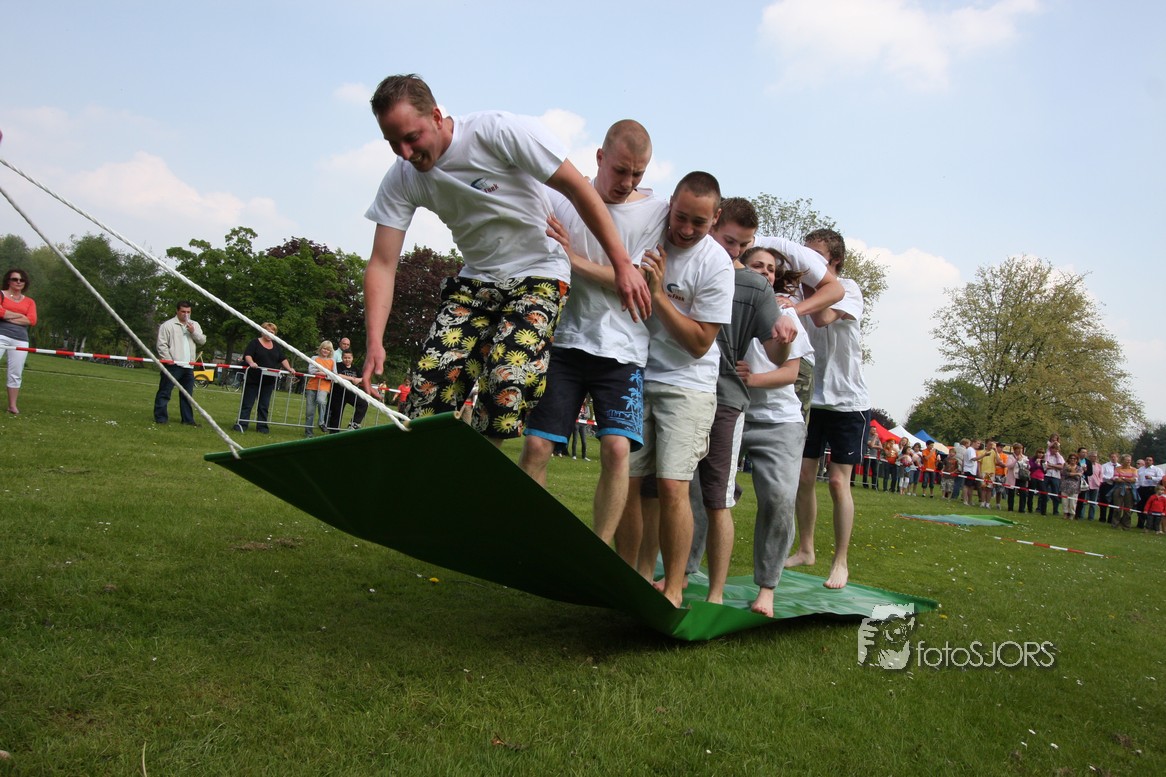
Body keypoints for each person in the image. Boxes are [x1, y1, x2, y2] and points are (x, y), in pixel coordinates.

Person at [361, 74, 650, 444]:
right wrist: (375, 340)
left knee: (505, 382)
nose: (405, 152)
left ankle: (486, 462)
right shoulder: (403, 177)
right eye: (393, 142)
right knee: (428, 391)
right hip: (476, 282)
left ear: (435, 116)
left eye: (411, 138)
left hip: (538, 274)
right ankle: (433, 472)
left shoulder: (495, 132)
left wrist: (622, 264)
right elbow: (383, 263)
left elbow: (578, 188)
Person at [519, 119, 667, 544]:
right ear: (600, 157)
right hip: (564, 343)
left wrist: (572, 258)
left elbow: (633, 281)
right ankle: (529, 542)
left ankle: (597, 550)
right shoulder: (561, 198)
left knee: (617, 449)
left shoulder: (655, 212)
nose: (627, 182)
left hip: (623, 350)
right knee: (536, 447)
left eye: (637, 174)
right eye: (620, 170)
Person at [620, 171, 734, 607]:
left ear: (715, 218)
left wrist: (658, 295)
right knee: (627, 482)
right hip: (637, 373)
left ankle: (672, 588)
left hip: (688, 385)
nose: (685, 229)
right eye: (680, 216)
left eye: (698, 222)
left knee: (672, 487)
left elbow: (699, 343)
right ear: (670, 204)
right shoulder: (651, 231)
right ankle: (628, 579)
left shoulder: (716, 264)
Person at [788, 228, 871, 589]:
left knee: (838, 482)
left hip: (848, 402)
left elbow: (821, 318)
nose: (806, 260)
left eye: (815, 255)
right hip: (812, 399)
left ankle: (841, 561)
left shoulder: (848, 289)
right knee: (803, 478)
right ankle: (806, 549)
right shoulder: (798, 291)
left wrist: (800, 291)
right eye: (803, 253)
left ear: (834, 261)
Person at [734, 246, 814, 616]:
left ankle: (767, 588)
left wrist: (751, 379)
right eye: (757, 266)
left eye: (770, 269)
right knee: (700, 490)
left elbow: (790, 373)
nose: (766, 273)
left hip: (780, 420)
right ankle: (684, 573)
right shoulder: (728, 302)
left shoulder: (787, 314)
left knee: (780, 499)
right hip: (733, 411)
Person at [152, 300, 206, 426]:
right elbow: (161, 345)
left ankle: (187, 420)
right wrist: (169, 360)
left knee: (187, 395)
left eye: (188, 312)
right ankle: (161, 418)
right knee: (165, 392)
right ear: (177, 311)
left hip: (189, 366)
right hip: (173, 365)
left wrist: (193, 332)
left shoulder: (194, 324)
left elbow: (202, 341)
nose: (186, 314)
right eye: (183, 312)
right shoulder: (168, 325)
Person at [233, 322, 294, 434]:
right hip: (253, 379)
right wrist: (251, 363)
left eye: (272, 332)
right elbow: (248, 355)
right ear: (262, 331)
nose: (270, 333)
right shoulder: (254, 343)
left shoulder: (276, 346)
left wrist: (289, 368)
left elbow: (282, 359)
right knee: (247, 403)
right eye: (267, 331)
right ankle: (242, 424)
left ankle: (262, 427)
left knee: (264, 405)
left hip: (268, 381)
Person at [0, 268, 37, 415]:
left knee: (16, 373)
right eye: (15, 279)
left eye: (22, 280)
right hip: (1, 335)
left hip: (20, 339)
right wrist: (20, 315)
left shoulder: (29, 301)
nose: (18, 282)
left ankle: (12, 406)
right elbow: (0, 312)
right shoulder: (1, 295)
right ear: (8, 281)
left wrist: (8, 316)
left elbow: (32, 320)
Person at [326, 351, 369, 431]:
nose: (347, 359)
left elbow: (363, 378)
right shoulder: (337, 365)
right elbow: (337, 375)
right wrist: (352, 378)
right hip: (338, 393)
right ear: (342, 358)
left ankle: (354, 424)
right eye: (345, 358)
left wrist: (359, 380)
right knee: (336, 413)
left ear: (352, 358)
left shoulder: (355, 368)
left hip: (350, 393)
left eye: (349, 358)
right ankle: (334, 432)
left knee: (363, 404)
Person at [304, 341, 335, 437]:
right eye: (324, 348)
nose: (326, 351)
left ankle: (321, 422)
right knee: (309, 411)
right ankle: (308, 432)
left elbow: (334, 375)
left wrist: (321, 372)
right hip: (312, 386)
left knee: (321, 401)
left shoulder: (332, 361)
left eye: (328, 349)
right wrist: (326, 373)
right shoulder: (314, 358)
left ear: (330, 351)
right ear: (320, 348)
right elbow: (311, 370)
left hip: (324, 386)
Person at [1110, 454, 1138, 530]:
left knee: (1128, 508)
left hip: (1129, 490)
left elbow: (1134, 480)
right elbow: (1116, 478)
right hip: (1119, 489)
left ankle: (1126, 525)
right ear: (1122, 460)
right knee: (1117, 508)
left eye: (1130, 460)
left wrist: (1123, 478)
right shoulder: (1117, 468)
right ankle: (1115, 524)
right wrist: (1128, 479)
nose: (1129, 461)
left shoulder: (1134, 469)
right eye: (1127, 460)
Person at [1135, 456, 1163, 529]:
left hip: (1151, 489)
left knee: (1151, 506)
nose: (1148, 461)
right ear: (1145, 461)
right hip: (1142, 489)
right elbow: (1137, 479)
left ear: (1152, 461)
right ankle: (1140, 524)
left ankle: (1151, 525)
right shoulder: (1140, 469)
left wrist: (1152, 478)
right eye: (1147, 460)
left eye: (1150, 460)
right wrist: (1136, 488)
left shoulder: (1156, 469)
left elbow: (1161, 478)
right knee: (1140, 506)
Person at [1060, 453, 1082, 519]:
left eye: (1074, 459)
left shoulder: (1079, 468)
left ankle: (1072, 514)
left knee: (1073, 502)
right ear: (1069, 459)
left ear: (1077, 460)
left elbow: (1077, 477)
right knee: (1065, 501)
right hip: (1065, 487)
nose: (1072, 460)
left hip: (1074, 488)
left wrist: (1071, 470)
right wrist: (1076, 473)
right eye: (1071, 458)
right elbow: (1064, 474)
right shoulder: (1065, 467)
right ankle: (1065, 513)